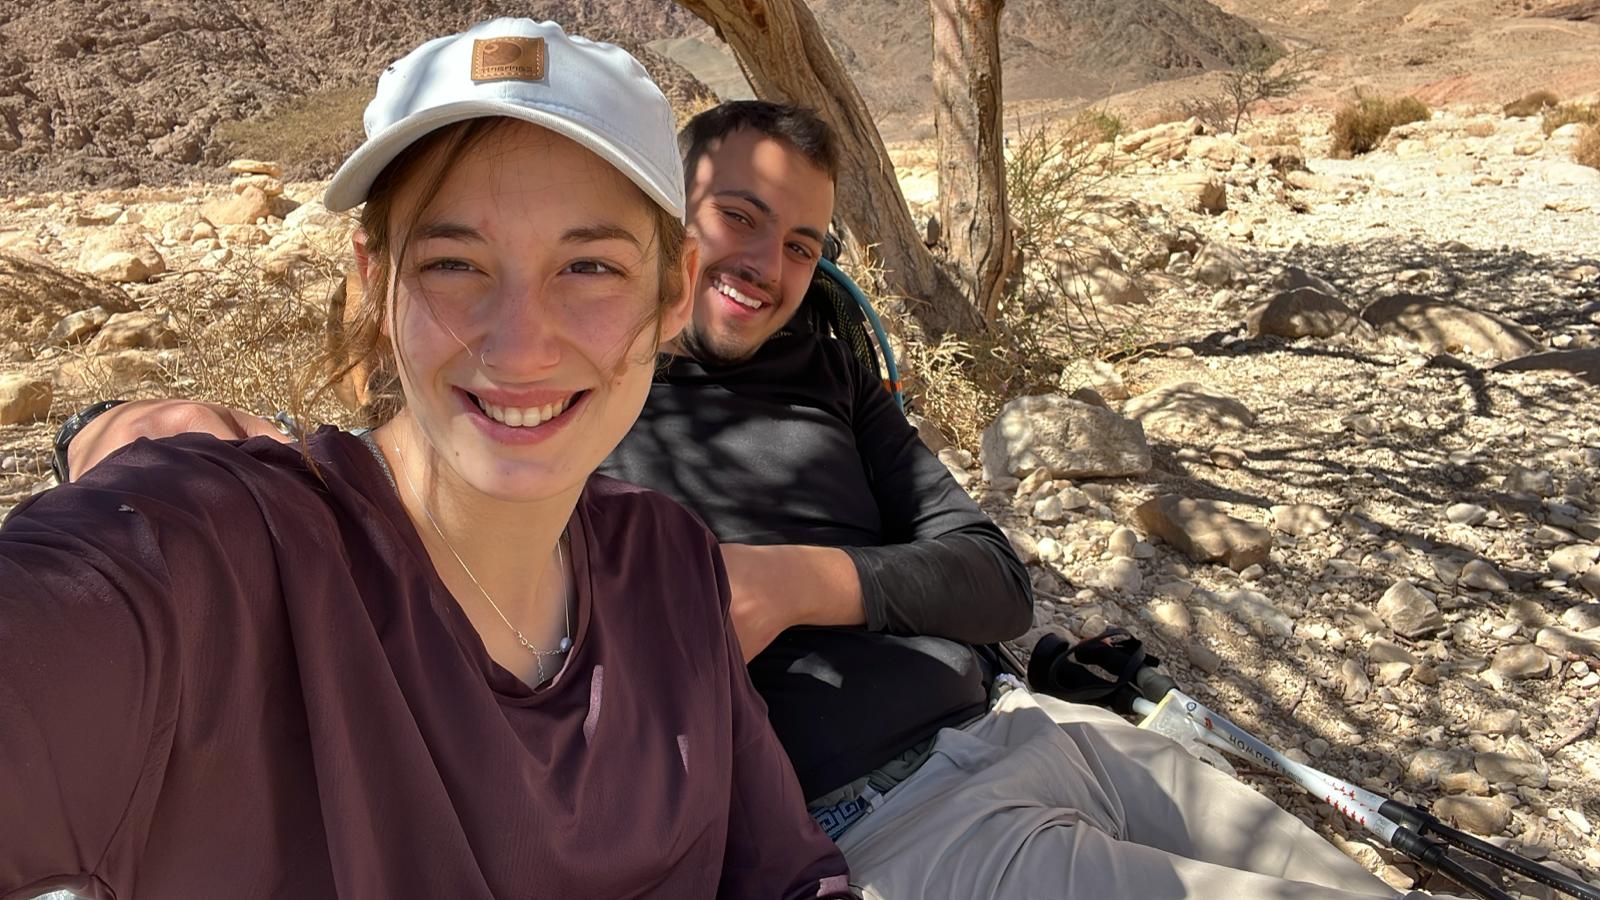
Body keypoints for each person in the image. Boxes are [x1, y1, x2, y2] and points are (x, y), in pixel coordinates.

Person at [62, 101, 1438, 899]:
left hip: (1030, 729)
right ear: (669, 227)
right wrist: (109, 430)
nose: (765, 267)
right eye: (734, 221)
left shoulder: (824, 368)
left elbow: (990, 578)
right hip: (891, 826)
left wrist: (796, 584)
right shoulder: (560, 410)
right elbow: (377, 483)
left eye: (802, 243)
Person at [0, 20, 851, 900]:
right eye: (453, 263)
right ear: (375, 281)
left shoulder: (668, 560)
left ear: (673, 288)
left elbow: (788, 873)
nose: (519, 346)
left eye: (589, 267)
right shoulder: (229, 562)